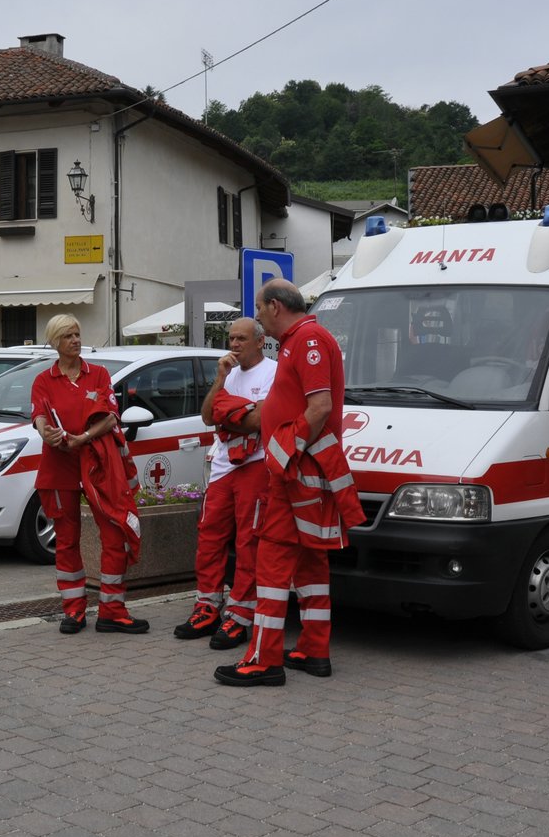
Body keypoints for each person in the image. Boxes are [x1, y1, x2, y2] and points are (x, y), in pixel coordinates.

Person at [215, 279, 364, 687]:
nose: (259, 317)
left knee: (273, 563)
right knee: (312, 563)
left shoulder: (309, 339)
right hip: (305, 471)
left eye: (260, 309)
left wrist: (281, 452)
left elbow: (320, 407)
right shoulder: (303, 339)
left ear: (276, 306)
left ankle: (264, 659)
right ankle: (314, 649)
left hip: (294, 474)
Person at [30, 314, 149, 635]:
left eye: (77, 334)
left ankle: (112, 610)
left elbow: (111, 417)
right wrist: (47, 434)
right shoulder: (43, 380)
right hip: (59, 464)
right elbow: (39, 415)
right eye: (68, 336)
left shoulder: (97, 374)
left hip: (97, 463)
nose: (76, 340)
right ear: (55, 343)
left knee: (114, 533)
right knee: (66, 541)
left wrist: (82, 438)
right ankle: (74, 611)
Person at [173, 316, 275, 644]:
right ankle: (208, 605)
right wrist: (221, 382)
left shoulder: (273, 372)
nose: (234, 345)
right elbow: (207, 416)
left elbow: (261, 420)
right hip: (222, 466)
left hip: (255, 464)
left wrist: (228, 416)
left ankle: (241, 614)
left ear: (260, 341)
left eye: (241, 339)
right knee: (210, 537)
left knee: (248, 541)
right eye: (231, 339)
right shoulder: (227, 375)